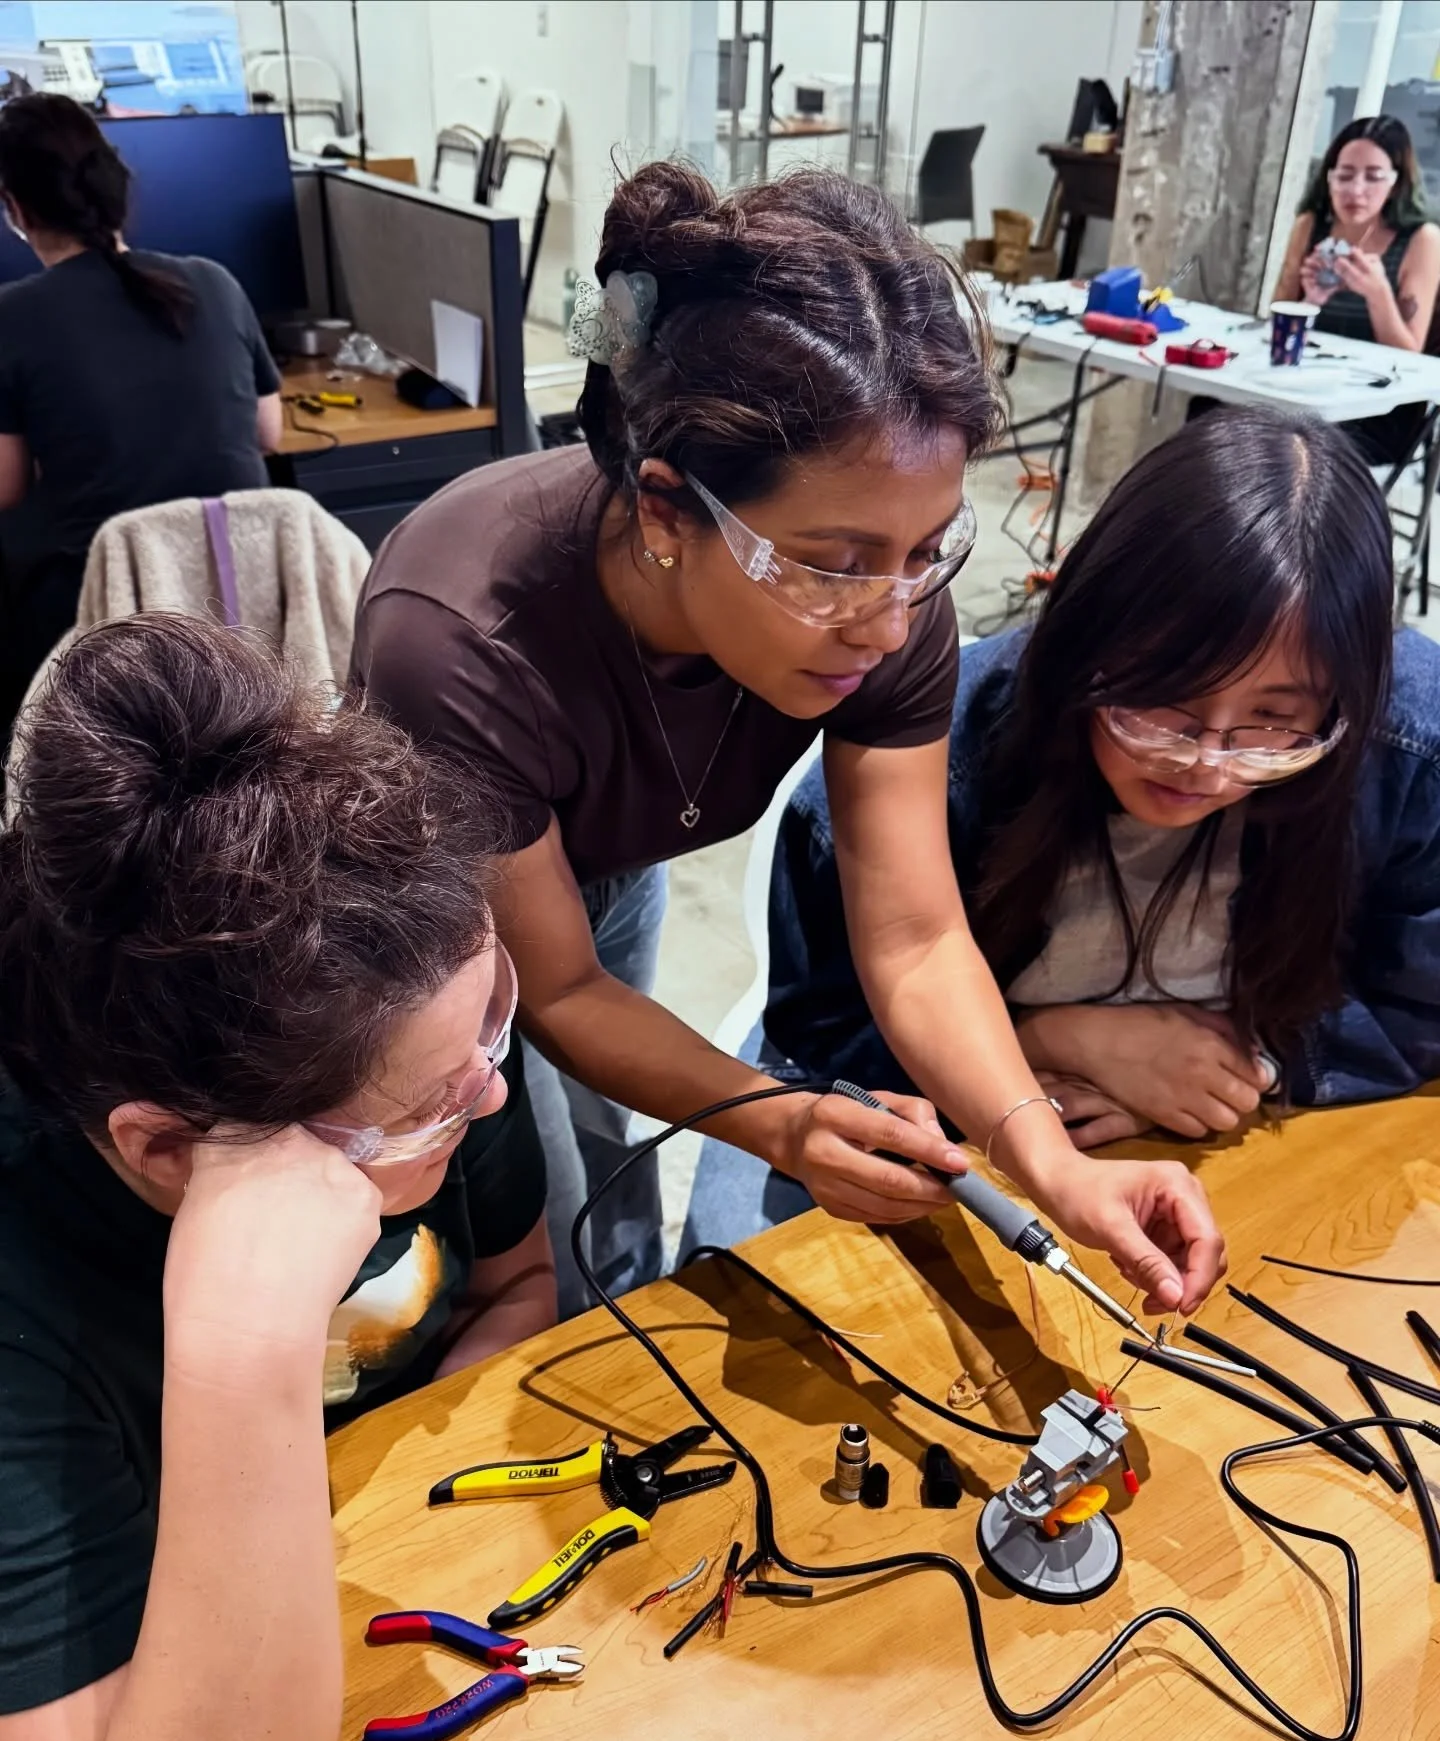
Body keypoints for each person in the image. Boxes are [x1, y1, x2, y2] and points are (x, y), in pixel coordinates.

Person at [352, 159, 1223, 1324]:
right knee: (529, 1199)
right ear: (667, 509)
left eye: (928, 551)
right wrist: (782, 1120)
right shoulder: (458, 640)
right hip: (451, 897)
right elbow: (558, 987)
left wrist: (1051, 1165)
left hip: (611, 849)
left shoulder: (885, 595)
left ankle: (626, 1297)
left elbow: (915, 936)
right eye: (833, 565)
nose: (891, 621)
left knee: (615, 1139)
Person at [0, 614, 554, 1741]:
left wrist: (371, 1519)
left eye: (493, 1023)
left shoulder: (416, 1031)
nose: (485, 1096)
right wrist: (241, 1357)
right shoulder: (24, 1293)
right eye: (429, 1108)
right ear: (168, 1150)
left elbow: (520, 1288)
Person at [756, 408, 1438, 1226]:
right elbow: (827, 1043)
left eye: (1272, 722)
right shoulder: (931, 765)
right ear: (1090, 631)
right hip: (962, 1182)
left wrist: (1235, 1067)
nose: (1205, 764)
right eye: (1167, 702)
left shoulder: (1408, 752)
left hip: (1254, 1169)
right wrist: (1046, 1042)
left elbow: (1416, 1008)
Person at [0, 94, 283, 745]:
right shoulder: (214, 280)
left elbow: (7, 486)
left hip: (103, 625)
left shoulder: (12, 315)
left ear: (16, 209)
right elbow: (268, 433)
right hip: (236, 609)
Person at [1272, 113, 1440, 464]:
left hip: (1380, 408)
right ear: (1329, 178)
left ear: (1396, 183)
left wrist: (1378, 294)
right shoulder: (1311, 226)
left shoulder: (1422, 240)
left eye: (1373, 177)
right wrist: (1311, 302)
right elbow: (1275, 332)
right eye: (1344, 176)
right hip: (1308, 388)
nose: (1355, 190)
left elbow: (1410, 355)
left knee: (1287, 447)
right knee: (1210, 411)